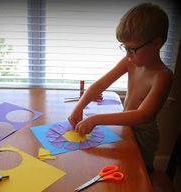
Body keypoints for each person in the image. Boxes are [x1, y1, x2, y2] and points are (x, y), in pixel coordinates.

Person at [68, 2, 173, 172]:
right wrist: (79, 107)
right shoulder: (130, 61)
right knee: (121, 167)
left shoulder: (163, 75)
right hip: (126, 126)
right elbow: (101, 84)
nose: (127, 55)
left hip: (143, 134)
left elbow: (143, 115)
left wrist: (95, 119)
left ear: (157, 43)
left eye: (132, 49)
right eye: (125, 48)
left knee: (139, 173)